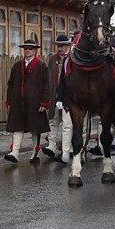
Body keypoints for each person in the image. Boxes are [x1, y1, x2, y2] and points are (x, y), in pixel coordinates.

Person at [4, 39, 52, 163]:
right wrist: (9, 100)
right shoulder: (17, 66)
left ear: (35, 50)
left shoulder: (42, 66)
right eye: (25, 48)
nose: (27, 51)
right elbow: (11, 84)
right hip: (18, 102)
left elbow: (47, 86)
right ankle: (14, 152)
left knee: (35, 128)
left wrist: (44, 102)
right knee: (17, 127)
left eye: (30, 48)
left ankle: (35, 153)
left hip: (35, 103)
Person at [42, 34, 74, 163]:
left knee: (67, 124)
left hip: (68, 96)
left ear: (68, 46)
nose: (60, 48)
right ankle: (51, 145)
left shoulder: (73, 58)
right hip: (54, 94)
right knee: (53, 121)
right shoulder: (52, 59)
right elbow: (48, 77)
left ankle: (68, 149)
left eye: (62, 46)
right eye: (58, 46)